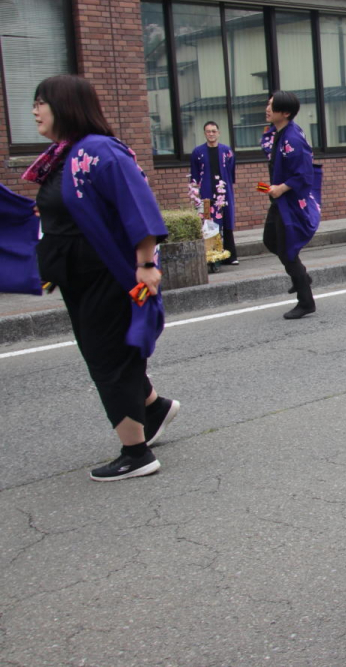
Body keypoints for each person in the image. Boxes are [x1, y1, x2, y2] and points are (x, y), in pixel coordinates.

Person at [25, 75, 179, 481]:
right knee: (114, 354)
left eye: (41, 102)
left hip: (107, 278)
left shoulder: (99, 151)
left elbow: (138, 205)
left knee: (109, 360)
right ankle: (155, 408)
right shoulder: (65, 154)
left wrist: (146, 263)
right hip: (81, 278)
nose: (35, 110)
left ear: (66, 105)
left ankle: (137, 453)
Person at [261, 91, 321, 320]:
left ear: (285, 113)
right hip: (280, 200)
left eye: (272, 106)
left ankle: (306, 301)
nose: (267, 108)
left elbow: (304, 174)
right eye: (268, 104)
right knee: (270, 240)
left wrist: (282, 187)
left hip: (291, 202)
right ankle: (302, 277)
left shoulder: (292, 138)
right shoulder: (279, 133)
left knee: (288, 249)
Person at [189, 120, 238, 264]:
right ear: (204, 134)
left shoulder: (227, 151)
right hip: (206, 193)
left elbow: (231, 171)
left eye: (213, 131)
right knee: (209, 223)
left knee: (227, 223)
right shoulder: (198, 152)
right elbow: (194, 174)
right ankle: (212, 258)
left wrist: (227, 186)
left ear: (218, 133)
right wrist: (195, 192)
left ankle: (231, 256)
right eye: (208, 131)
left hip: (224, 192)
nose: (211, 134)